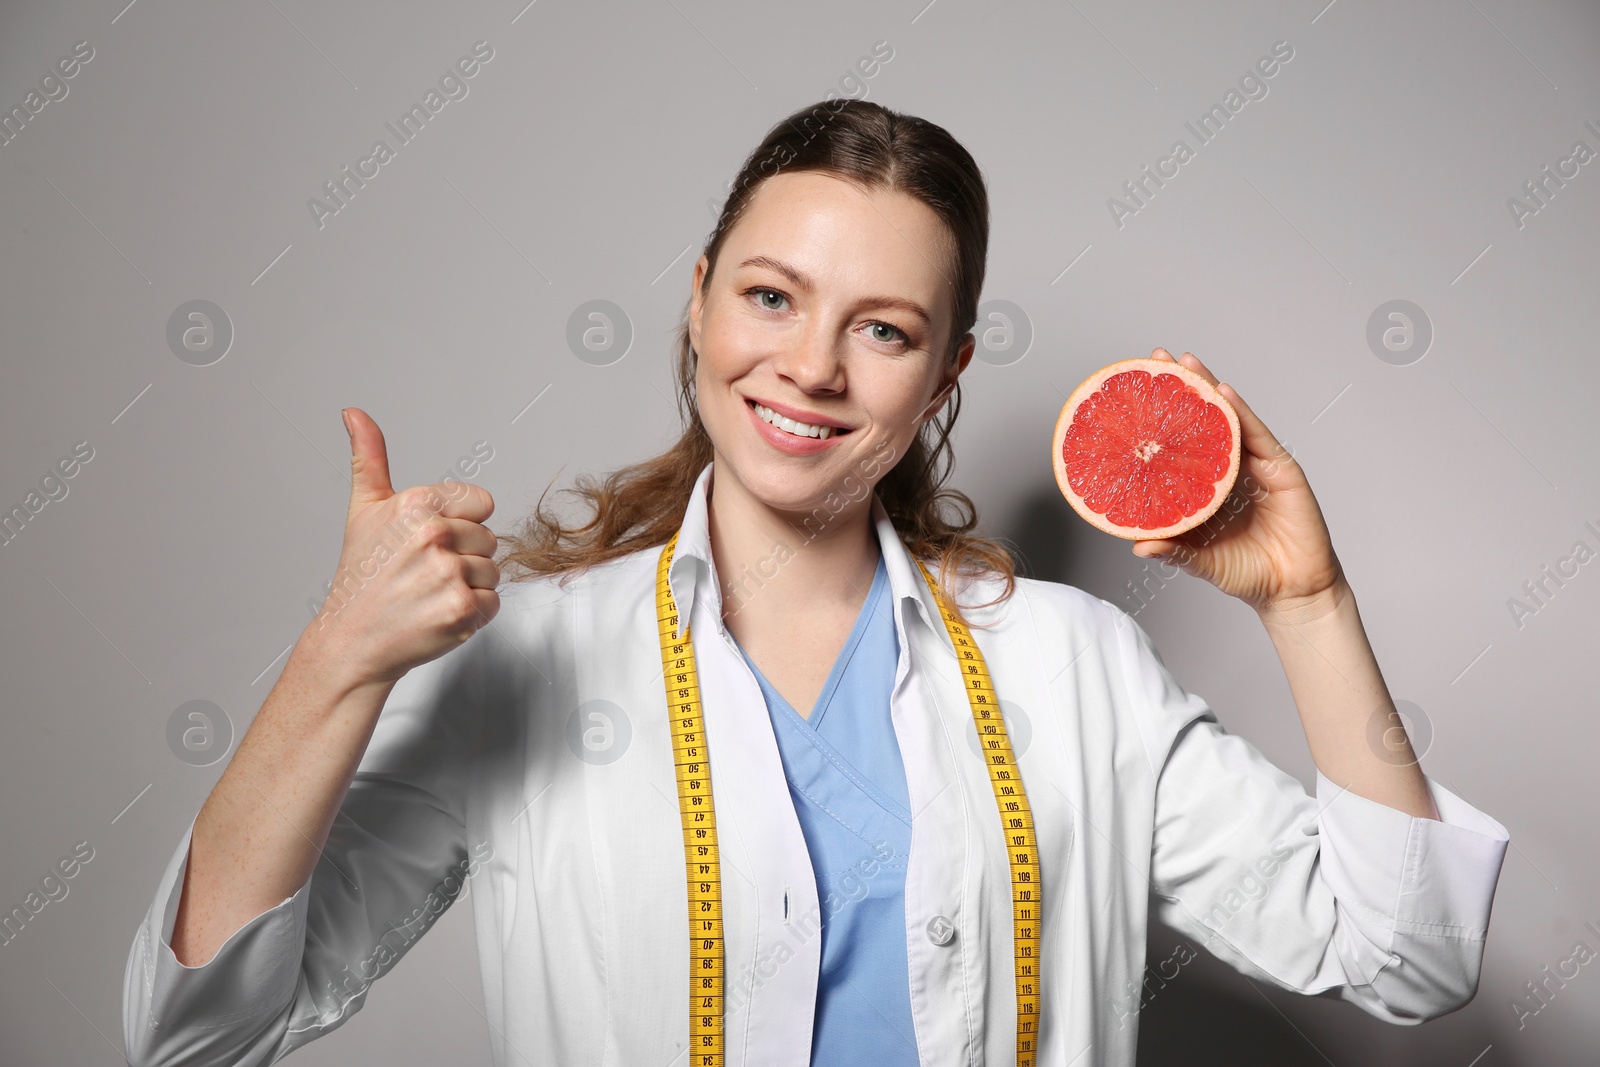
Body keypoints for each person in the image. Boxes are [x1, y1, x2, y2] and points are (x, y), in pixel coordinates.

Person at [121, 98, 1509, 1067]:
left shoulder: (1073, 666)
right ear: (701, 298)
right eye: (772, 298)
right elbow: (198, 1032)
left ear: (947, 370)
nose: (811, 368)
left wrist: (1307, 605)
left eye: (885, 329)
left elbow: (1408, 960)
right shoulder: (530, 665)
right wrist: (337, 663)